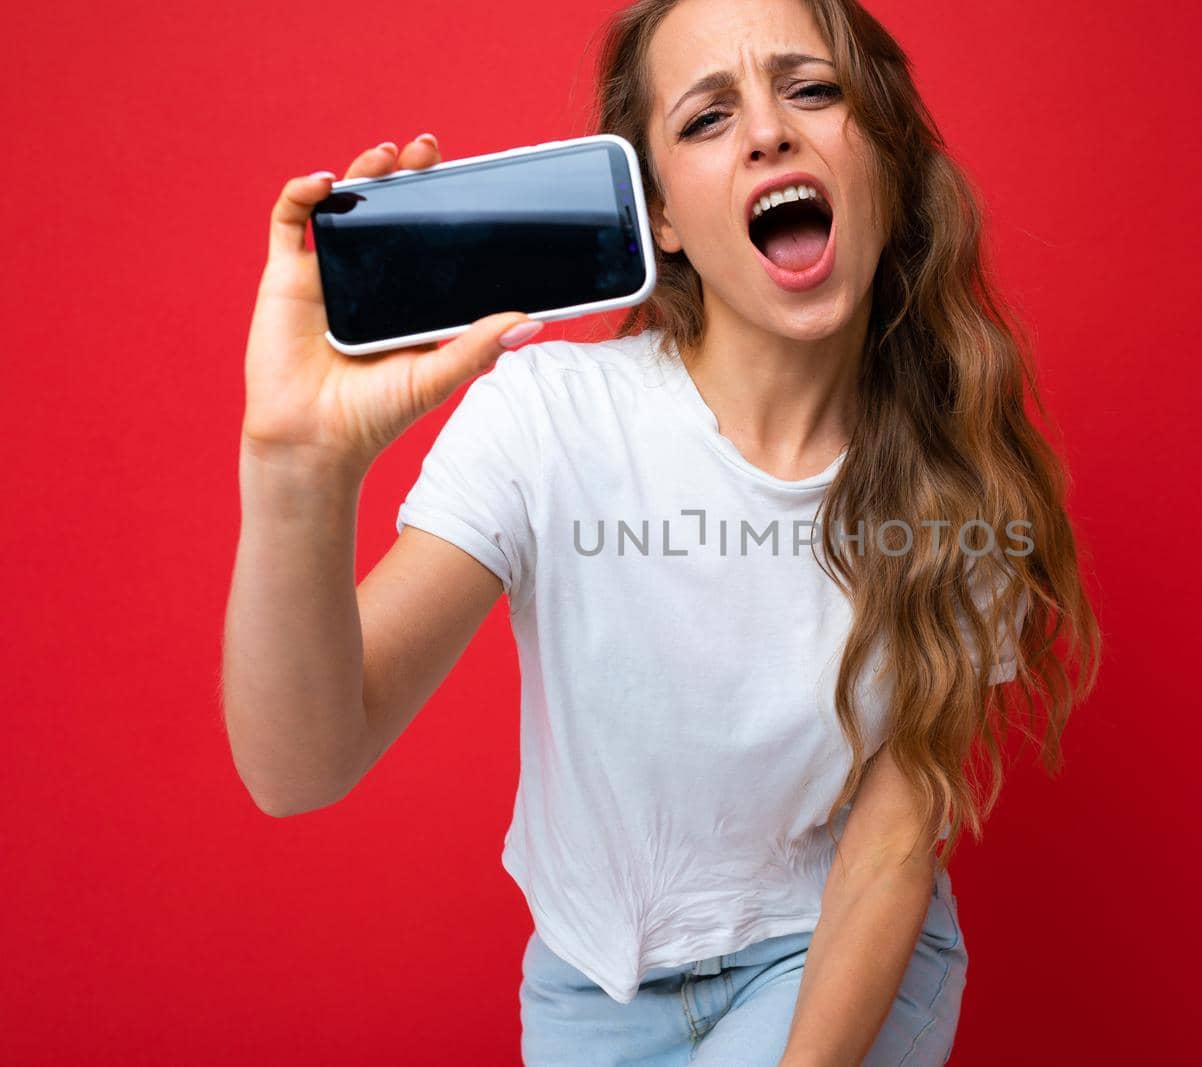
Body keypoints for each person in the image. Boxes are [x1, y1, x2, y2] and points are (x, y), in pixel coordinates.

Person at [222, 0, 1101, 1062]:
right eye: (705, 119)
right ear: (663, 217)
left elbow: (892, 847)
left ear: (885, 157)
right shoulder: (546, 416)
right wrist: (293, 469)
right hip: (584, 986)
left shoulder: (963, 479)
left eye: (811, 89)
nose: (769, 132)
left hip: (828, 952)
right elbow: (299, 766)